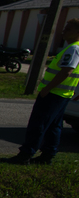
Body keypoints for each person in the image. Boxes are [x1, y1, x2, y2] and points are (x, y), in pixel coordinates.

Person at [10, 18, 79, 165]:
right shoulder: (74, 47)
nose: (63, 31)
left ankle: (26, 154)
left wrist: (47, 89)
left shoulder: (74, 49)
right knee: (54, 125)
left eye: (68, 29)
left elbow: (66, 71)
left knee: (38, 124)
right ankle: (48, 155)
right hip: (62, 95)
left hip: (54, 94)